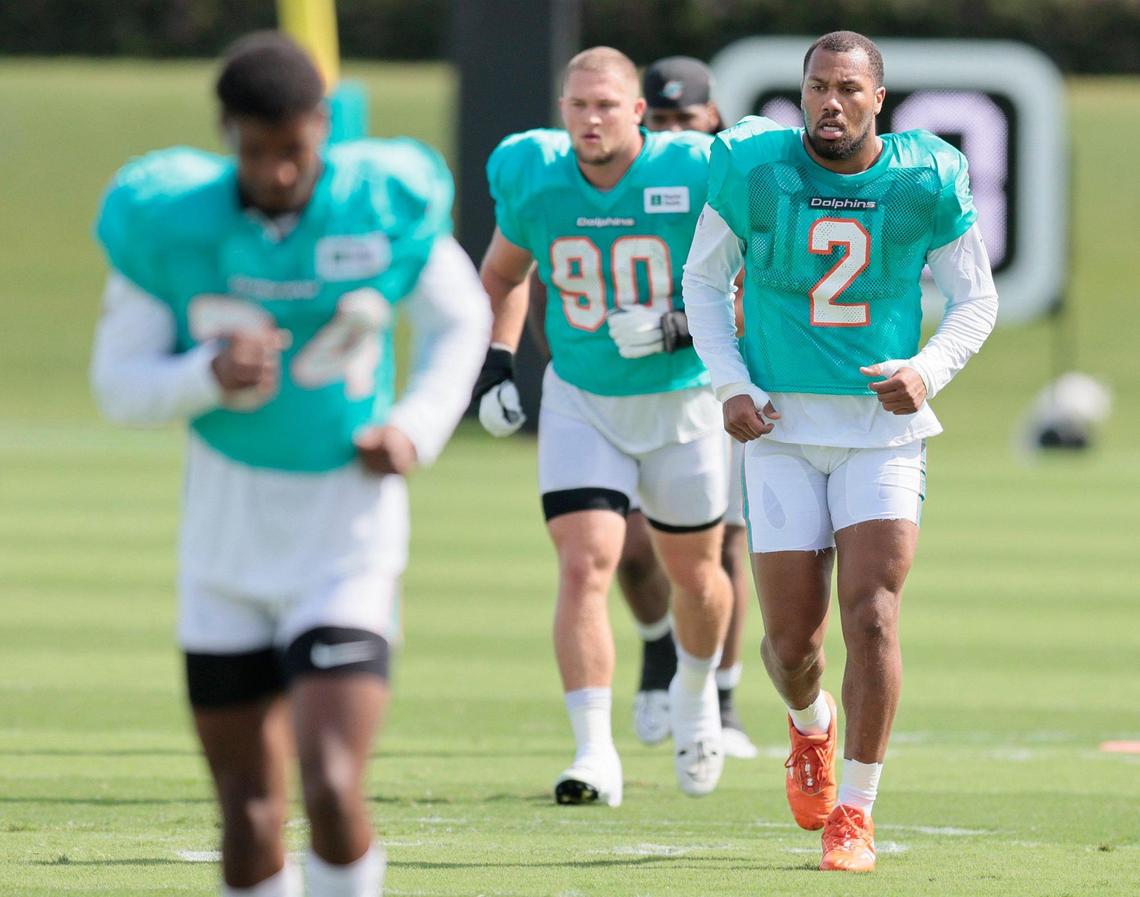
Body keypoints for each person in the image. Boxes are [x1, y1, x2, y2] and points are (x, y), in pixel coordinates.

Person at [90, 32, 490, 897]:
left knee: (335, 782)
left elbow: (462, 319)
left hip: (346, 535)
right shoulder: (171, 220)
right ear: (227, 133)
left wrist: (416, 426)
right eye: (256, 151)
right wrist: (205, 373)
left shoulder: (379, 201)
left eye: (295, 151)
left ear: (324, 128)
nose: (277, 173)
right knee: (247, 805)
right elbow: (117, 384)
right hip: (224, 543)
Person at [683, 30, 998, 871]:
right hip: (779, 429)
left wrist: (927, 371)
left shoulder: (921, 177)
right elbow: (703, 283)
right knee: (792, 645)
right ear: (802, 92)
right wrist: (728, 384)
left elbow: (976, 299)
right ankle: (810, 725)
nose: (832, 102)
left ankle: (854, 811)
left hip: (880, 432)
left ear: (878, 99)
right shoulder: (754, 166)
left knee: (873, 612)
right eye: (819, 86)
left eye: (849, 89)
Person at [473, 46, 734, 805]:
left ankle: (693, 690)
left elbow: (756, 286)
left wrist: (679, 325)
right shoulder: (534, 176)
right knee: (585, 562)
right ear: (563, 112)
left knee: (698, 576)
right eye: (578, 105)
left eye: (606, 105)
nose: (591, 119)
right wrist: (496, 359)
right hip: (582, 397)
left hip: (680, 401)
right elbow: (502, 272)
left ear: (638, 113)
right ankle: (593, 751)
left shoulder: (691, 172)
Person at [522, 54, 757, 759]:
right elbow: (536, 284)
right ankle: (654, 668)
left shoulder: (711, 176)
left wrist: (677, 328)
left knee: (719, 551)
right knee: (612, 550)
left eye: (686, 120)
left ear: (709, 122)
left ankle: (719, 698)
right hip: (602, 398)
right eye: (662, 120)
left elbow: (757, 289)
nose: (672, 132)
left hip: (713, 390)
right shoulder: (568, 182)